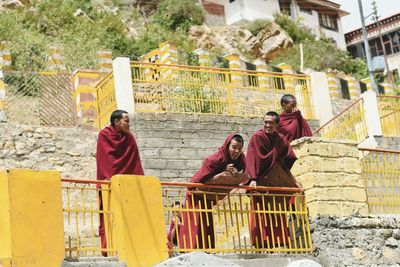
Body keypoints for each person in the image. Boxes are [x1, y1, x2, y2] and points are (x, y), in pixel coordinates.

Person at [178, 134, 247, 250]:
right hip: (196, 193)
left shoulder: (241, 159)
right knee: (194, 224)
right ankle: (187, 250)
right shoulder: (214, 159)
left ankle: (207, 251)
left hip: (210, 196)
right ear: (227, 146)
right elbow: (201, 180)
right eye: (234, 147)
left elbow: (246, 171)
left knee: (207, 225)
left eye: (239, 148)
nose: (237, 151)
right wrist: (223, 172)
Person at [245, 111, 297, 250]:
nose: (267, 125)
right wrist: (253, 178)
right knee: (261, 213)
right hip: (260, 180)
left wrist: (289, 178)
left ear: (277, 124)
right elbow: (252, 157)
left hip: (274, 181)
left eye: (270, 123)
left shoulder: (280, 139)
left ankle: (280, 241)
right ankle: (261, 242)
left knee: (277, 211)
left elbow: (288, 157)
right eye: (265, 122)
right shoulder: (257, 137)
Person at [96, 109, 144, 255]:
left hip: (127, 186)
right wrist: (110, 178)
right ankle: (110, 249)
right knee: (110, 217)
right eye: (126, 122)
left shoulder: (129, 138)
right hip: (109, 185)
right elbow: (105, 160)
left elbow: (134, 162)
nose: (129, 125)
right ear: (116, 122)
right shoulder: (104, 135)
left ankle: (132, 248)